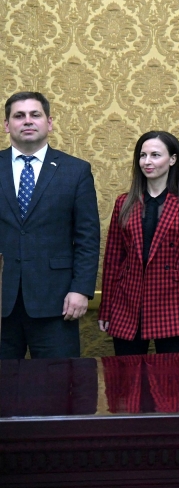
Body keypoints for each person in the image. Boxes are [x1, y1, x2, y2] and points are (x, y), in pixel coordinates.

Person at [0, 91, 100, 359]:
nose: (28, 121)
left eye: (35, 115)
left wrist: (81, 289)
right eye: (19, 116)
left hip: (57, 302)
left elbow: (87, 238)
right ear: (7, 125)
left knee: (59, 388)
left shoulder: (76, 171)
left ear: (50, 123)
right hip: (2, 301)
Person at [99, 132, 179, 356]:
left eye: (155, 155)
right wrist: (106, 310)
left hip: (173, 301)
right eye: (143, 155)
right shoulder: (124, 202)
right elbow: (112, 260)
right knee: (127, 382)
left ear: (172, 160)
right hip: (128, 301)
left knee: (171, 383)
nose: (147, 161)